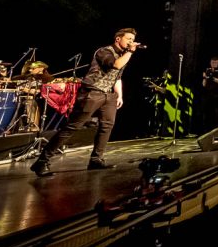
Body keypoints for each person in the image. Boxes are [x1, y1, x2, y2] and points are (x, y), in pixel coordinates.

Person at [30, 28, 141, 176]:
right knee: (73, 126)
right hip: (92, 93)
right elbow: (116, 65)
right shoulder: (104, 52)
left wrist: (119, 95)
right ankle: (42, 161)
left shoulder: (124, 55)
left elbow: (117, 76)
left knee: (107, 126)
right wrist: (131, 52)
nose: (131, 42)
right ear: (118, 39)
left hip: (109, 95)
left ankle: (96, 159)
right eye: (129, 39)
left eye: (133, 40)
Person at [199, 56, 218, 133]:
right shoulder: (207, 70)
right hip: (207, 94)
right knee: (206, 113)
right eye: (212, 62)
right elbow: (204, 84)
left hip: (217, 94)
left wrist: (212, 78)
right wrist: (205, 77)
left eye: (215, 62)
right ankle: (207, 131)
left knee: (217, 113)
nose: (213, 64)